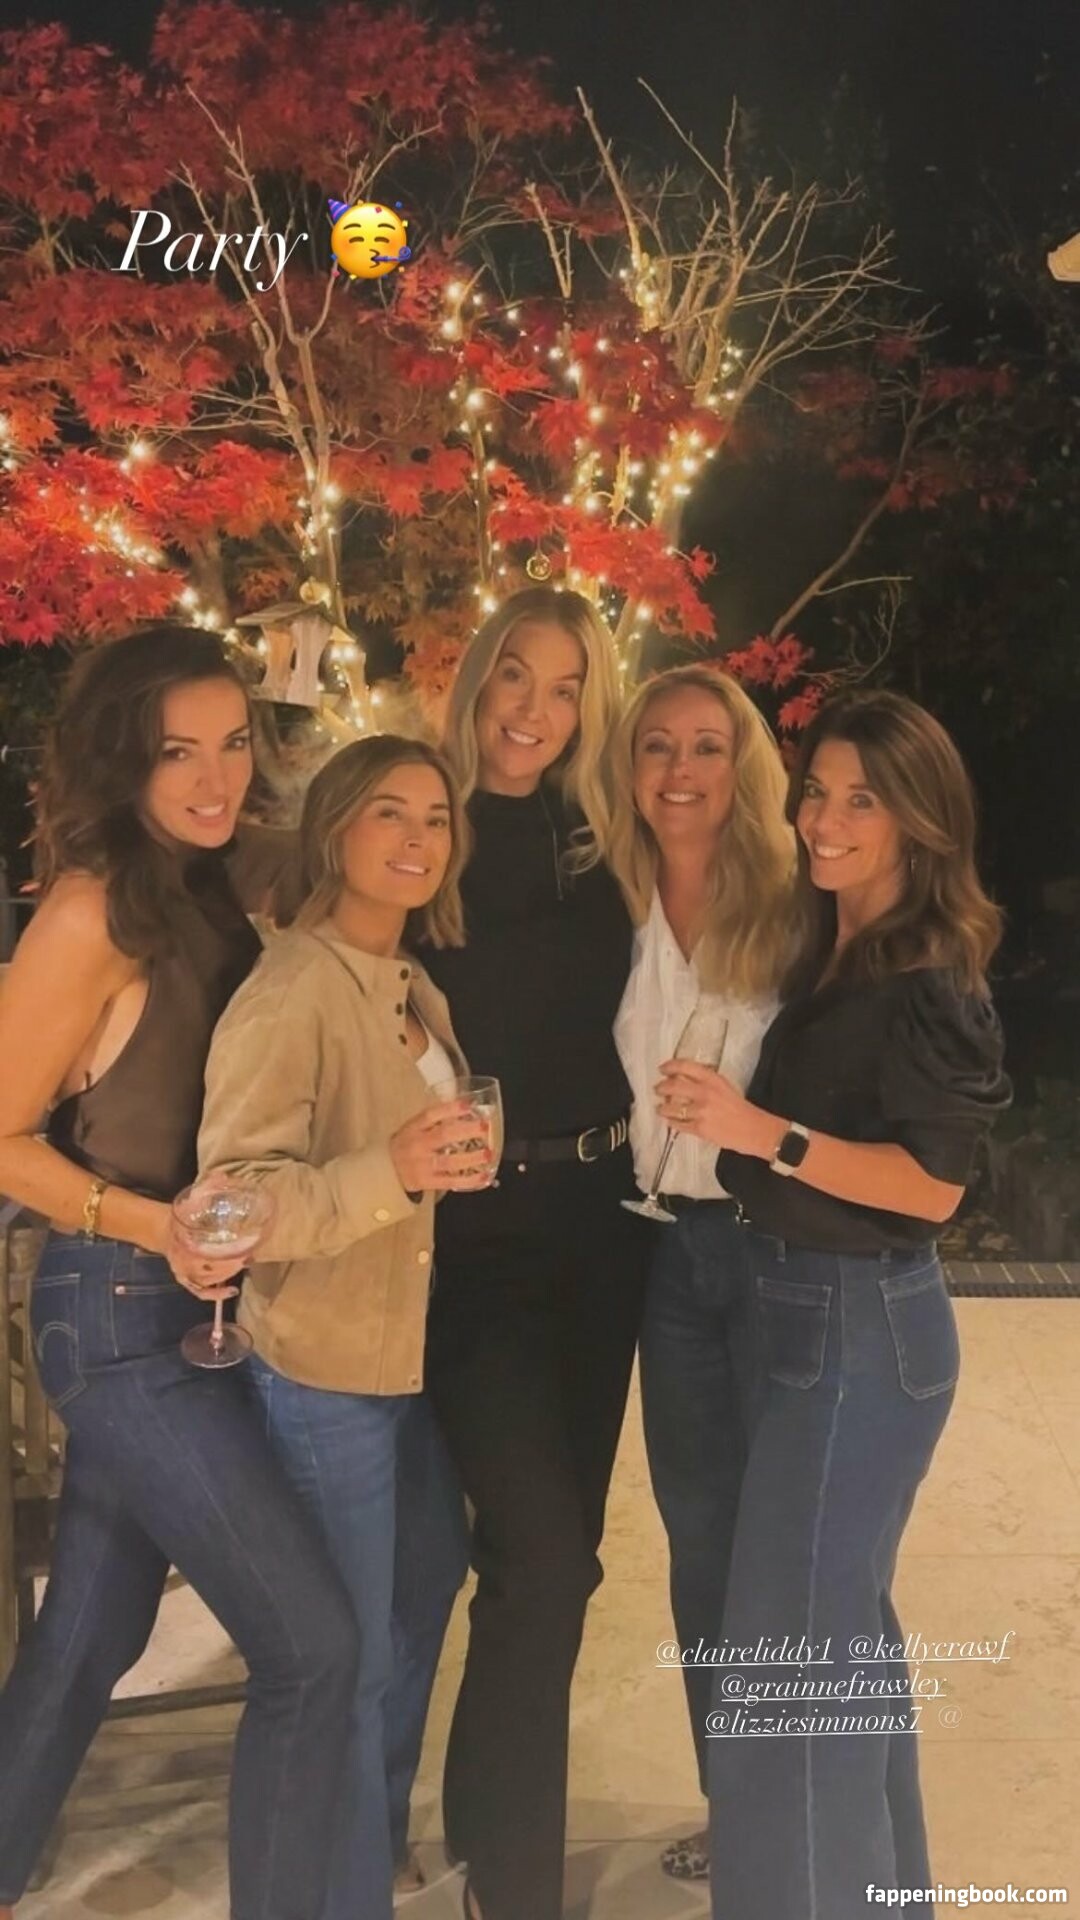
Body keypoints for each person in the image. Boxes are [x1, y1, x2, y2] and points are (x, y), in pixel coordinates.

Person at [0, 627, 359, 1920]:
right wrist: (157, 1229)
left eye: (233, 744)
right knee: (314, 1646)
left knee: (90, 1631)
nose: (216, 778)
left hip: (187, 1301)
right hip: (115, 1311)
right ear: (125, 760)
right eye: (178, 753)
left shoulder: (210, 877)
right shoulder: (91, 911)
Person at [655, 690, 1011, 1920]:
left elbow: (934, 1188)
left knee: (788, 1681)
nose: (824, 819)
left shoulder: (926, 975)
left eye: (863, 800)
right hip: (803, 1313)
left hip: (862, 1327)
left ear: (921, 821)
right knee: (834, 1654)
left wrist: (764, 1133)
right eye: (817, 791)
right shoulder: (834, 946)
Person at [197, 735, 485, 1920]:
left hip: (399, 1358)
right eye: (388, 814)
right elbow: (229, 1202)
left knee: (428, 1583)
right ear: (334, 831)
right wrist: (395, 1169)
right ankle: (342, 1888)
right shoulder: (293, 988)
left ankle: (362, 1840)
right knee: (349, 1657)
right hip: (319, 1366)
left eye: (436, 818)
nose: (418, 839)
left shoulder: (409, 981)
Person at [417, 586, 647, 1920]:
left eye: (566, 689)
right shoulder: (424, 826)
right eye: (516, 674)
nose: (535, 710)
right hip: (474, 1234)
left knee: (550, 1564)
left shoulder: (604, 838)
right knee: (546, 1558)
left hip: (604, 1228)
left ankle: (486, 1834)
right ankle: (516, 1891)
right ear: (477, 677)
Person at [609, 664, 794, 1882]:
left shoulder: (794, 903)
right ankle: (738, 1806)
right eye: (658, 746)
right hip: (664, 1252)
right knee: (701, 1540)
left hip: (775, 1249)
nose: (681, 771)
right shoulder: (609, 906)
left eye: (708, 747)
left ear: (744, 766)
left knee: (788, 1540)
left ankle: (799, 1807)